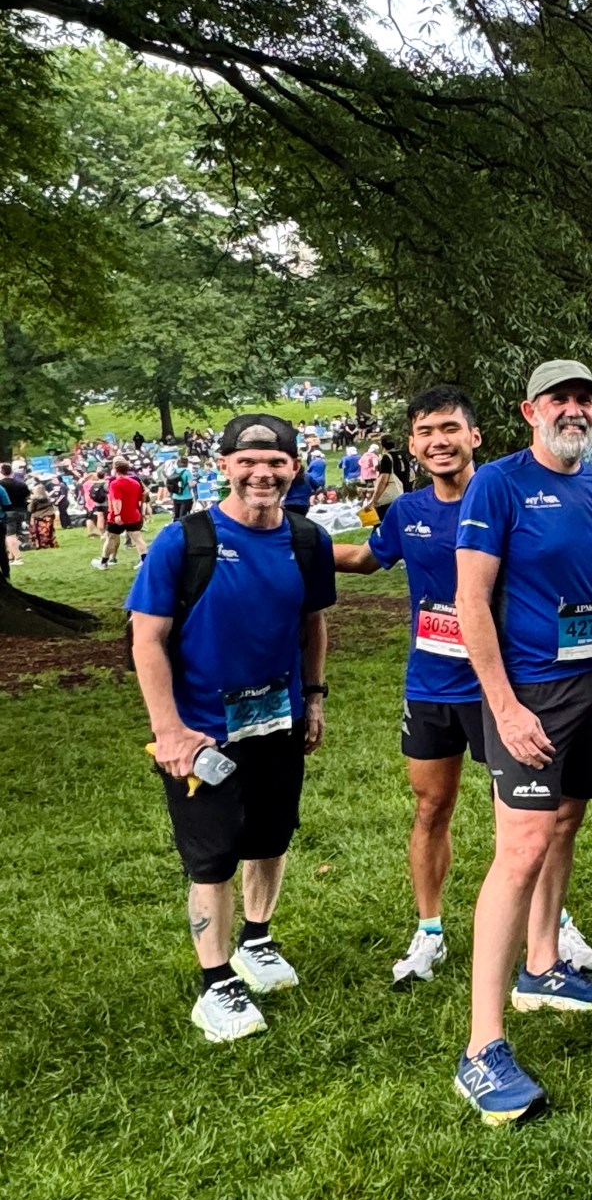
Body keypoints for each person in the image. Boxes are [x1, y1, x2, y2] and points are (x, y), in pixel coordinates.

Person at [452, 360, 592, 1127]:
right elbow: (471, 600)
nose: (575, 410)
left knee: (566, 822)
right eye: (561, 399)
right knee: (522, 845)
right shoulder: (497, 485)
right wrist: (502, 706)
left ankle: (542, 966)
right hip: (528, 693)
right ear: (531, 409)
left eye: (586, 400)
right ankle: (482, 1047)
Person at [332, 387, 580, 986]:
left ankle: (550, 924)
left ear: (475, 436)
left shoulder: (511, 496)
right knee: (431, 805)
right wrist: (290, 546)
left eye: (450, 429)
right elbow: (368, 559)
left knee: (535, 816)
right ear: (413, 447)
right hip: (434, 684)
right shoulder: (407, 511)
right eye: (425, 432)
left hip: (512, 686)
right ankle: (430, 929)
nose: (438, 441)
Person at [127, 414, 335, 1043]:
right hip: (202, 734)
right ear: (224, 465)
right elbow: (147, 637)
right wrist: (169, 729)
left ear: (293, 468)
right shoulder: (182, 542)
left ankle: (257, 940)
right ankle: (215, 983)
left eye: (275, 462)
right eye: (248, 462)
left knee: (271, 836)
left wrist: (316, 698)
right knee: (211, 857)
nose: (262, 474)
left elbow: (312, 624)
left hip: (279, 720)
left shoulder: (307, 540)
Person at [93, 457, 149, 569]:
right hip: (133, 514)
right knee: (137, 538)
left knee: (110, 538)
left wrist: (118, 514)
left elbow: (116, 500)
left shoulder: (115, 483)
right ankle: (145, 562)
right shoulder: (135, 483)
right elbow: (141, 497)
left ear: (115, 468)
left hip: (117, 516)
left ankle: (104, 563)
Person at [0, 462, 26, 564]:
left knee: (9, 536)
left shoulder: (1, 485)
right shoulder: (19, 483)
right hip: (20, 511)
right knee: (15, 535)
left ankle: (18, 558)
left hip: (8, 511)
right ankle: (11, 557)